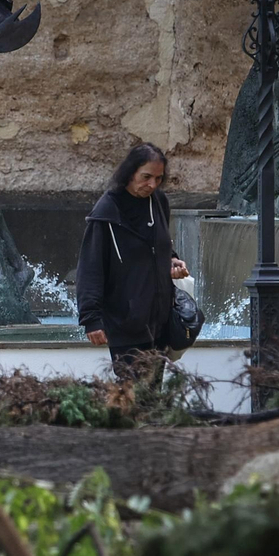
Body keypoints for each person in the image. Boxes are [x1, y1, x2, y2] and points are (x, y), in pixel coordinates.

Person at [74, 143, 190, 384]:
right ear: (130, 173)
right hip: (125, 321)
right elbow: (90, 268)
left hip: (159, 319)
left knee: (151, 392)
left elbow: (158, 243)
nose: (152, 185)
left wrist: (172, 260)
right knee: (132, 392)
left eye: (158, 178)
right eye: (146, 177)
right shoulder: (107, 211)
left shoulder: (158, 201)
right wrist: (91, 318)